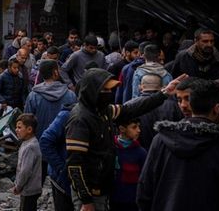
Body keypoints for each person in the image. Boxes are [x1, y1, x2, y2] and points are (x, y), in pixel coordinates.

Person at [65, 68, 185, 210]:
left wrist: (163, 94)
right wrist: (86, 200)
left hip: (103, 188)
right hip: (91, 193)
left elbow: (131, 109)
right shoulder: (81, 119)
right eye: (105, 90)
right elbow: (75, 164)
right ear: (93, 91)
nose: (109, 94)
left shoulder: (103, 111)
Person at [137, 79, 219, 211]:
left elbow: (145, 189)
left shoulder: (161, 140)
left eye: (187, 99)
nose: (183, 105)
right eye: (179, 100)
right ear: (217, 108)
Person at [128, 74, 183, 149]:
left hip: (140, 153)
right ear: (162, 87)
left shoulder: (130, 105)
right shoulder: (174, 106)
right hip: (167, 152)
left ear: (140, 87)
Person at [25, 60, 77, 139]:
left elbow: (27, 121)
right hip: (63, 143)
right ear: (55, 72)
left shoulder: (33, 96)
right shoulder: (71, 95)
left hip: (39, 142)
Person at [39, 102, 76, 211]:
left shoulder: (103, 114)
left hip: (66, 176)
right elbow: (45, 141)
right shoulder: (69, 113)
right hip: (63, 180)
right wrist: (62, 168)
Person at [110, 119, 146, 211]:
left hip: (132, 202)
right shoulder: (110, 147)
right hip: (112, 200)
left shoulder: (141, 153)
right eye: (134, 127)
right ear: (122, 129)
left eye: (138, 126)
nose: (138, 130)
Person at [14, 113, 42, 211]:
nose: (16, 130)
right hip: (31, 189)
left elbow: (25, 171)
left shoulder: (30, 147)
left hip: (29, 189)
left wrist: (18, 186)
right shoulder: (27, 143)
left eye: (19, 127)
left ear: (29, 129)